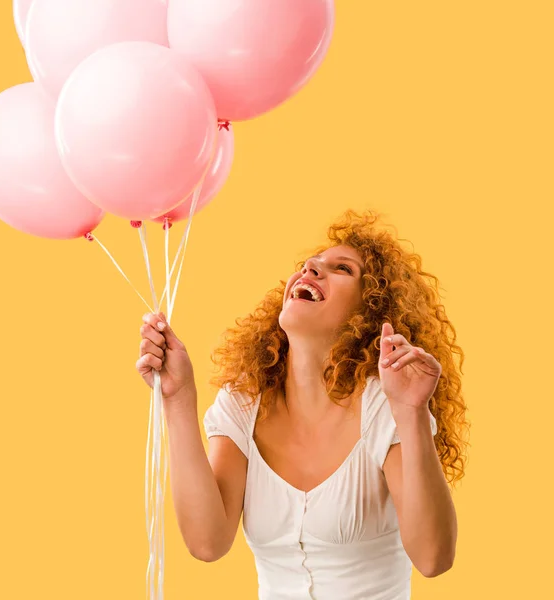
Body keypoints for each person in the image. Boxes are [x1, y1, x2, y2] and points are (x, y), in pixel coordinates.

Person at [136, 209, 469, 600]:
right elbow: (207, 543)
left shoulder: (387, 406)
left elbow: (433, 558)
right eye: (309, 264)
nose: (311, 267)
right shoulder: (243, 402)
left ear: (370, 312)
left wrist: (413, 413)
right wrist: (178, 399)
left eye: (342, 269)